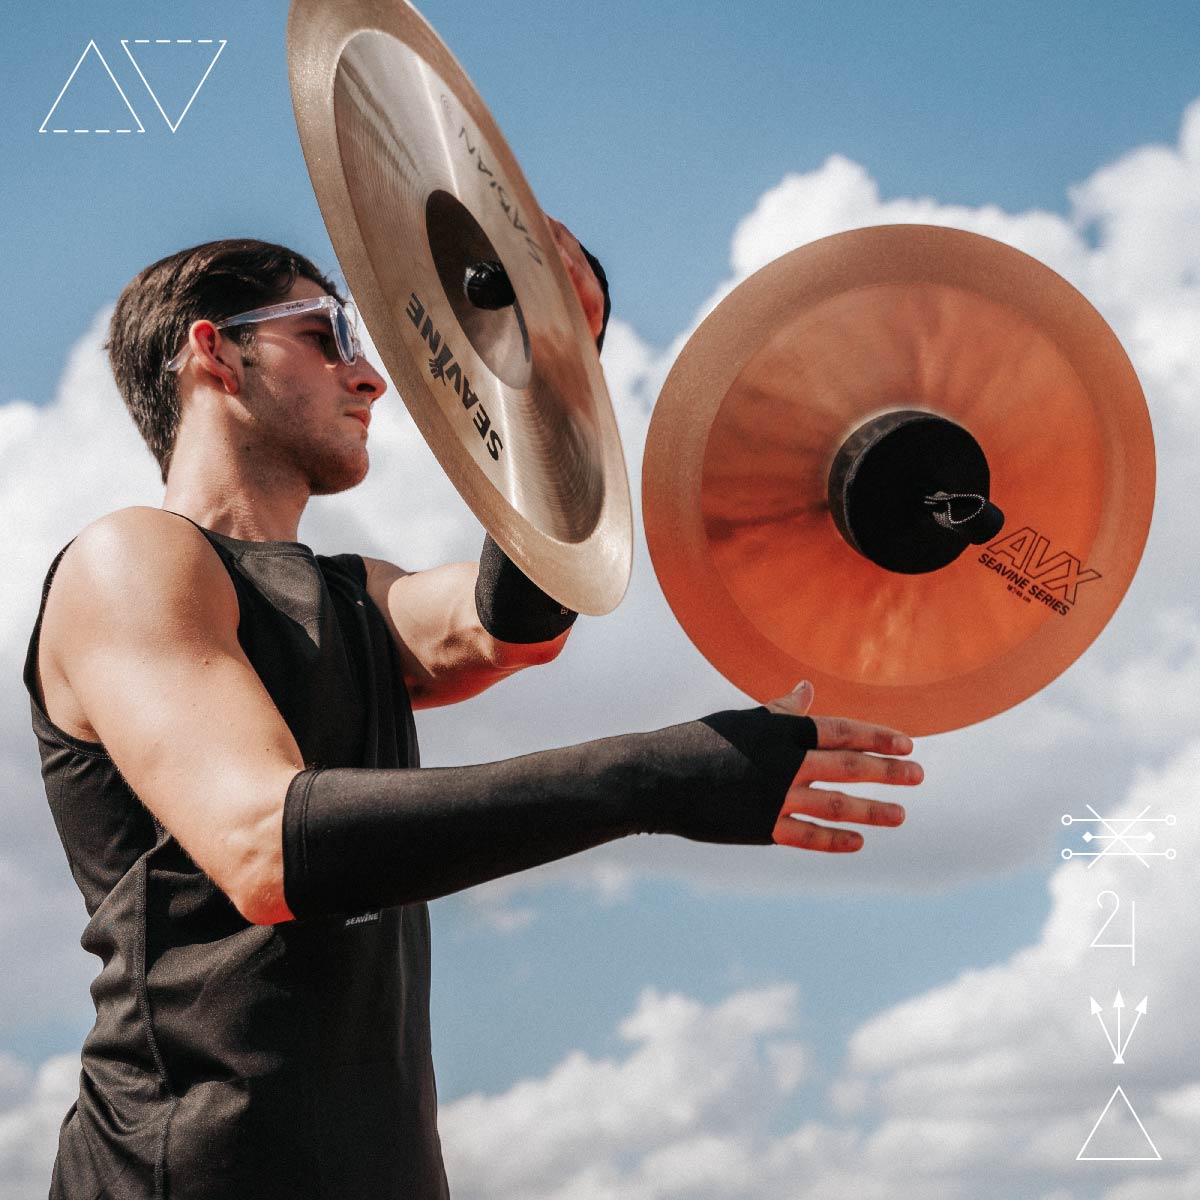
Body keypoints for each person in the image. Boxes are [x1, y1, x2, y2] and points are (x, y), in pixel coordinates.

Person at [23, 224, 922, 1200]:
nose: (368, 377)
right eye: (328, 333)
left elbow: (516, 622)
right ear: (213, 351)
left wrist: (545, 371)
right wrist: (659, 777)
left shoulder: (354, 594)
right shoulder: (128, 560)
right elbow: (263, 849)